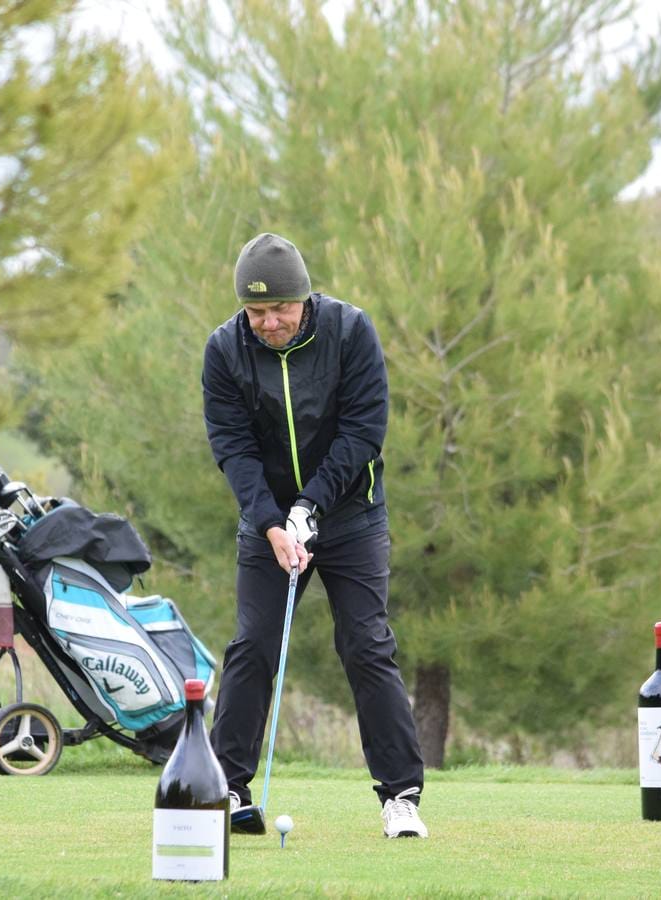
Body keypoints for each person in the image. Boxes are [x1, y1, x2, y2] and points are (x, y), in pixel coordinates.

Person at [201, 233, 428, 838]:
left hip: (351, 514)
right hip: (266, 520)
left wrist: (311, 505)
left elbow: (363, 432)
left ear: (304, 298)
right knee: (252, 647)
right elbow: (233, 447)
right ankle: (226, 788)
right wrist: (275, 521)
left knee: (365, 644)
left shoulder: (351, 332)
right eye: (257, 312)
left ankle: (400, 796)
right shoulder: (225, 350)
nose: (270, 322)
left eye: (281, 308)